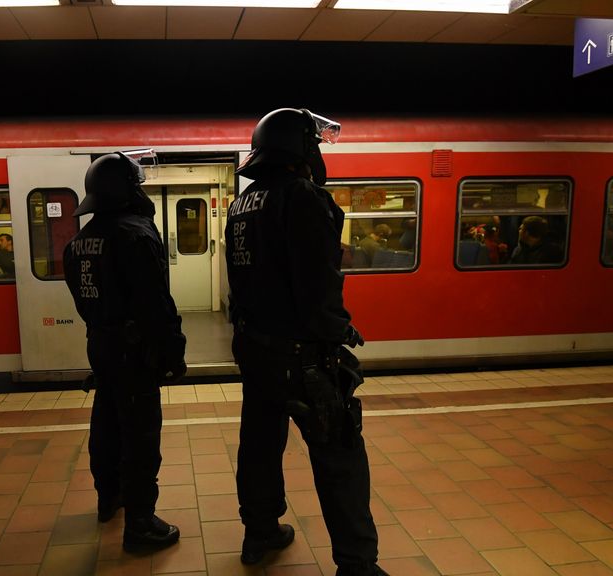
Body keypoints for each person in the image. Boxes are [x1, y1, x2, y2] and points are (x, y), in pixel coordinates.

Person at [226, 108, 386, 576]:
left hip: (256, 349)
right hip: (303, 356)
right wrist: (336, 333)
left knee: (259, 443)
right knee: (339, 454)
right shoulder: (304, 197)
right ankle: (357, 563)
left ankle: (259, 532)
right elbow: (319, 283)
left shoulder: (243, 202)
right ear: (301, 150)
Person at [63, 151, 187, 553]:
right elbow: (156, 305)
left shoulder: (78, 242)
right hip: (134, 353)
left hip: (99, 344)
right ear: (127, 191)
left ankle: (108, 497)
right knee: (140, 435)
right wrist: (172, 353)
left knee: (106, 422)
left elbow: (83, 302)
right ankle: (140, 524)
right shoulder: (136, 233)